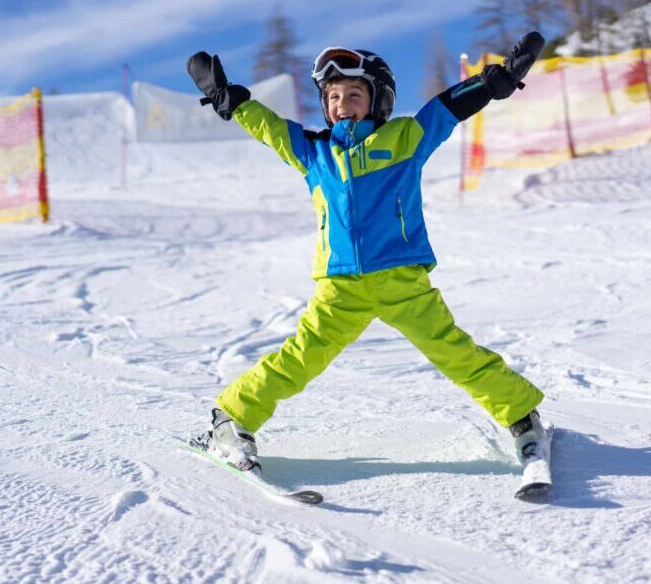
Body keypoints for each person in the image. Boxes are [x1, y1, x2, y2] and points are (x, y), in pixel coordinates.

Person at [186, 33, 549, 477]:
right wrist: (231, 99)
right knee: (299, 359)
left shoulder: (404, 139)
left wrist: (494, 82)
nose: (342, 103)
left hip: (401, 281)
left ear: (379, 100)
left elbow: (446, 108)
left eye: (354, 94)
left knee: (453, 352)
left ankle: (522, 416)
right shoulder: (315, 152)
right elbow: (270, 128)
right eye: (333, 96)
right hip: (340, 287)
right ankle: (231, 419)